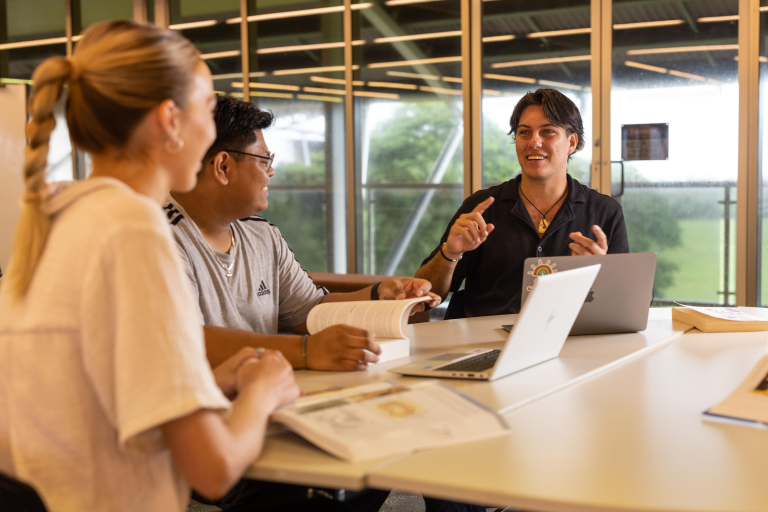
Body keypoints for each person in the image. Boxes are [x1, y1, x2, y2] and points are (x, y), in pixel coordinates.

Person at [0, 20, 311, 512]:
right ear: (170, 119)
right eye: (207, 110)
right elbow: (213, 468)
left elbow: (94, 391)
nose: (211, 133)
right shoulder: (133, 228)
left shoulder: (60, 213)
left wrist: (210, 380)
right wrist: (263, 391)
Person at [166, 95, 441, 371]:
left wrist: (380, 295)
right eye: (264, 160)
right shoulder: (161, 238)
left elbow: (310, 310)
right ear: (223, 167)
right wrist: (306, 351)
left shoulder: (262, 236)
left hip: (264, 390)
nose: (271, 172)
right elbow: (187, 339)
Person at [415, 88, 629, 319]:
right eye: (524, 132)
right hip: (484, 344)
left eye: (548, 131)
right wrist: (450, 252)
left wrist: (599, 276)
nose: (534, 142)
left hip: (570, 340)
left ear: (571, 142)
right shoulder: (481, 208)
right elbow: (426, 294)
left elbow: (622, 307)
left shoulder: (605, 212)